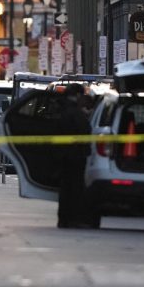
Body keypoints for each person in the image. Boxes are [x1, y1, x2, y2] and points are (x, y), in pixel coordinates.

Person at [54, 83, 95, 229]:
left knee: (65, 188)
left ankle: (63, 218)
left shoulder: (60, 110)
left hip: (62, 155)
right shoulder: (75, 113)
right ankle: (72, 218)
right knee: (75, 188)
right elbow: (85, 131)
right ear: (78, 95)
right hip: (75, 156)